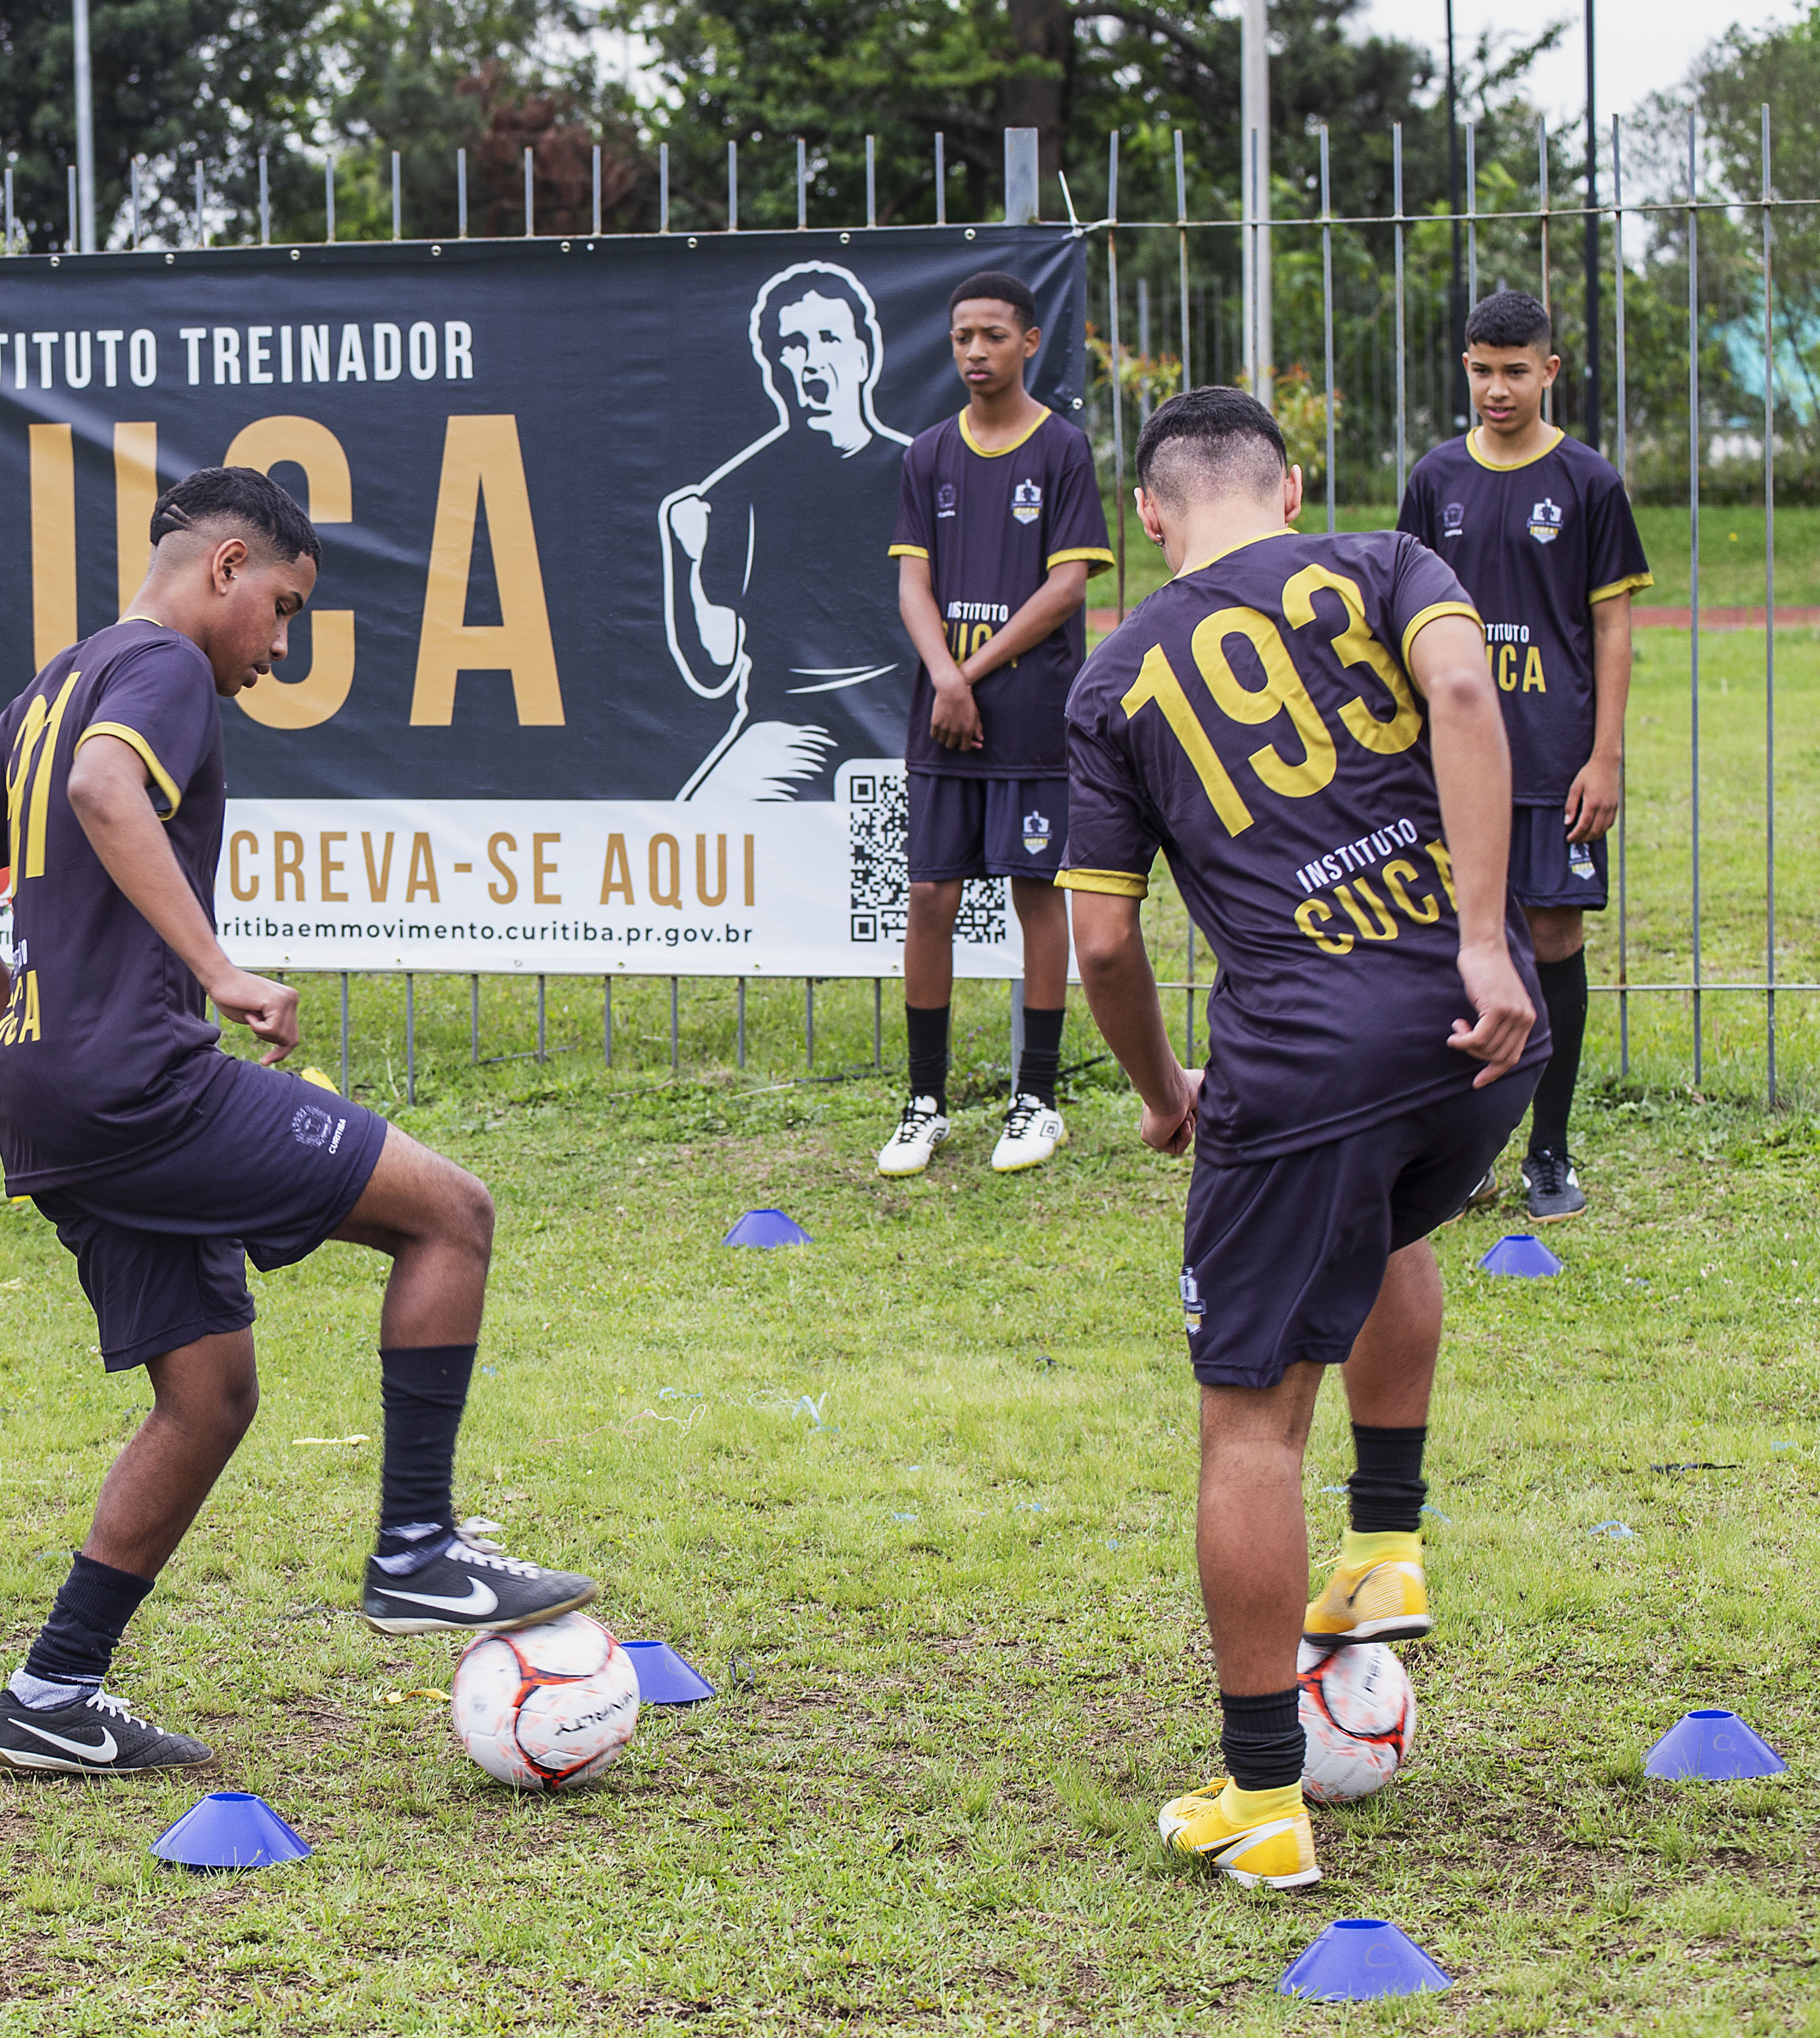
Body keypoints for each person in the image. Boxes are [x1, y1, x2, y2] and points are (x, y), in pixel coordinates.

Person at [0, 466, 598, 1776]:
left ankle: (53, 1690)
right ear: (224, 567)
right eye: (281, 608)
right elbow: (109, 793)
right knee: (453, 1213)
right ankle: (420, 1548)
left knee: (207, 1396)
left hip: (50, 1095)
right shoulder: (157, 671)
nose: (279, 648)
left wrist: (14, 1019)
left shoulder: (57, 680)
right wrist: (216, 969)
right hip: (141, 1085)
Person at [1060, 389, 1543, 1889]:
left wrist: (1156, 1092)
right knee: (1392, 1225)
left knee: (1249, 1425)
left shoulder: (1114, 676)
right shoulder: (1386, 561)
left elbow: (1099, 945)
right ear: (1287, 489)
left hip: (1300, 1068)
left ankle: (1263, 1792)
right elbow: (1464, 702)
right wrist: (1477, 941)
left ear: (1149, 517)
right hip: (1478, 1035)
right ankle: (1385, 1541)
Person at [1396, 288, 1651, 1220]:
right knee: (1451, 943)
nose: (1496, 388)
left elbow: (1612, 625)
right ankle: (1461, 1155)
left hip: (1552, 761)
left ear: (1549, 370)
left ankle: (1549, 1150)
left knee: (1550, 939)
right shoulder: (1434, 478)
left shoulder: (1587, 481)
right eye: (1481, 369)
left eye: (1515, 370)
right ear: (1464, 367)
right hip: (1453, 761)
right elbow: (1403, 619)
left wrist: (1606, 755)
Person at [876, 270, 1115, 1178]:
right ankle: (924, 1102)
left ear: (1028, 344)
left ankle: (1037, 1100)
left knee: (1032, 892)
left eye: (991, 336)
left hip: (1025, 718)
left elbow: (1066, 587)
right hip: (943, 718)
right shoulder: (927, 453)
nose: (974, 352)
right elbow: (912, 583)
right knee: (931, 896)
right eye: (961, 338)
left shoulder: (1061, 450)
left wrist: (968, 674)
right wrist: (944, 677)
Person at [661, 260, 918, 801]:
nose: (810, 360)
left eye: (828, 337)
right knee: (703, 829)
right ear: (773, 367)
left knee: (930, 877)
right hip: (788, 732)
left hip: (912, 720)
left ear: (863, 353)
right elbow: (713, 665)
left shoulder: (924, 474)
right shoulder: (737, 492)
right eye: (792, 345)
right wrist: (684, 557)